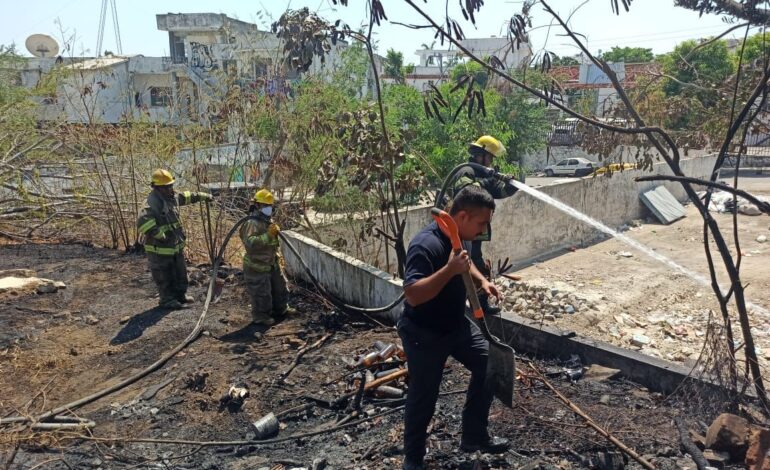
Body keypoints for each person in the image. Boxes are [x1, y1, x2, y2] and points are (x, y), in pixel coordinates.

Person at [399, 185, 510, 470]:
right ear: (462, 215)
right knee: (424, 396)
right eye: (482, 223)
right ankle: (413, 459)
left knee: (489, 364)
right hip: (424, 333)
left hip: (455, 325)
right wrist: (449, 269)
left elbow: (466, 261)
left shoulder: (462, 235)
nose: (484, 229)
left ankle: (473, 436)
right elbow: (412, 293)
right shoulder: (426, 244)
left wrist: (481, 281)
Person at [450, 135, 518, 315]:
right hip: (461, 231)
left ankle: (479, 306)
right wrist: (489, 179)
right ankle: (472, 306)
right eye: (490, 158)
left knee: (478, 266)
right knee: (471, 266)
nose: (491, 162)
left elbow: (498, 191)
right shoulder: (466, 171)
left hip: (474, 232)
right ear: (481, 155)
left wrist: (511, 186)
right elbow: (465, 191)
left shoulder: (481, 174)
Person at [136, 169, 213, 309]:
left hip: (175, 246)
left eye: (171, 185)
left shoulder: (171, 197)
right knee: (165, 275)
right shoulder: (151, 203)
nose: (170, 188)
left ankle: (180, 295)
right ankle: (167, 300)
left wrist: (203, 196)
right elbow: (142, 221)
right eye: (167, 186)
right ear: (157, 187)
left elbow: (186, 196)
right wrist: (159, 234)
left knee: (180, 273)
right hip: (160, 249)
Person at [239, 189, 297, 326]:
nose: (268, 208)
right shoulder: (251, 223)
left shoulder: (267, 220)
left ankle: (281, 309)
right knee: (261, 293)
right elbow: (250, 243)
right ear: (257, 205)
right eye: (265, 206)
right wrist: (268, 236)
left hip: (271, 262)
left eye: (270, 206)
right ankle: (261, 316)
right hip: (257, 265)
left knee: (280, 287)